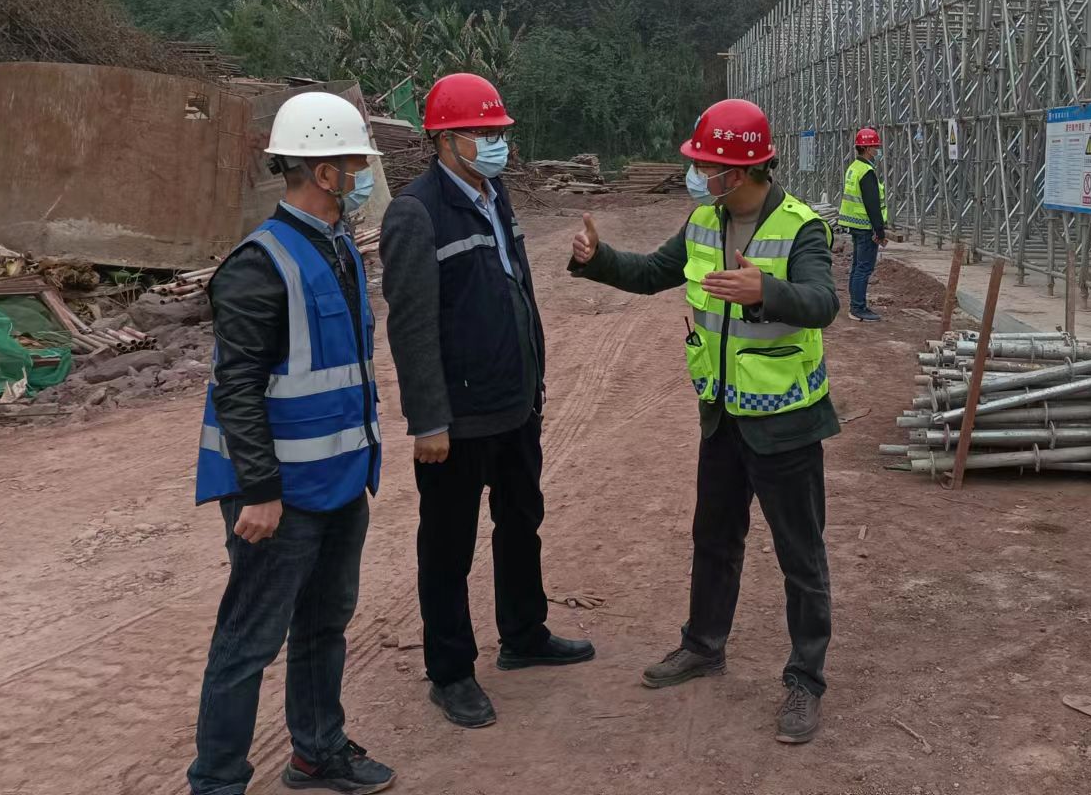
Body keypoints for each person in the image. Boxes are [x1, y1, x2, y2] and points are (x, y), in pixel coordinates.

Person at [568, 98, 838, 745]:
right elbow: (651, 274)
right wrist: (597, 258)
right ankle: (703, 645)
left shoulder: (800, 228)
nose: (696, 173)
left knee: (800, 556)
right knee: (714, 538)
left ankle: (804, 679)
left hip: (786, 423)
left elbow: (823, 302)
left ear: (738, 171)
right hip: (722, 417)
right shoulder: (702, 221)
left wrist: (766, 291)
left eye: (705, 164)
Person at [188, 92, 394, 795]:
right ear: (323, 172)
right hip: (279, 497)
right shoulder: (258, 264)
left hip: (340, 481)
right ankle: (217, 781)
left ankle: (317, 752)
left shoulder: (338, 248)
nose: (362, 175)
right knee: (249, 641)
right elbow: (237, 388)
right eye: (354, 164)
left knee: (324, 626)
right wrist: (259, 490)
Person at [379, 72, 591, 730]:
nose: (496, 142)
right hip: (458, 418)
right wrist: (429, 420)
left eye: (498, 131)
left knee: (521, 521)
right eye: (482, 131)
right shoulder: (416, 213)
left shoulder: (496, 196)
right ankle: (450, 672)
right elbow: (411, 326)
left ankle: (524, 633)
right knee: (448, 545)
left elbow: (516, 290)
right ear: (444, 139)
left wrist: (535, 380)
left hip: (514, 403)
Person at [838, 127, 888, 322]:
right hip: (866, 227)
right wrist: (879, 230)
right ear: (867, 148)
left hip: (856, 225)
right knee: (864, 268)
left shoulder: (854, 168)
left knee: (857, 267)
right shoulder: (866, 171)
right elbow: (872, 204)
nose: (877, 150)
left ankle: (855, 305)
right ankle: (858, 308)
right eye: (875, 146)